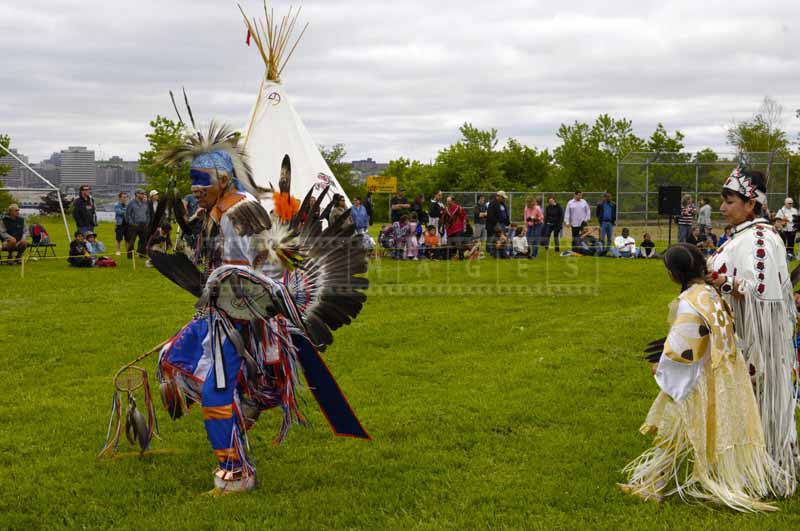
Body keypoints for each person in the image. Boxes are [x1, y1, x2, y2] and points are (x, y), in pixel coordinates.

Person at [151, 120, 369, 494]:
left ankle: (235, 473)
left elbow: (265, 268)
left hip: (246, 318)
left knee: (215, 390)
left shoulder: (240, 210)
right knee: (176, 361)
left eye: (202, 180)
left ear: (222, 178)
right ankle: (246, 409)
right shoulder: (223, 210)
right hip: (229, 313)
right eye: (192, 181)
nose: (195, 189)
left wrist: (226, 282)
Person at [621, 243, 779, 512]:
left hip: (699, 378)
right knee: (702, 432)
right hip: (724, 373)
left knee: (675, 429)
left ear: (674, 273)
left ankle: (657, 486)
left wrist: (661, 367)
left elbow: (684, 348)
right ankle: (658, 483)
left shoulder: (690, 302)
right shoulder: (710, 293)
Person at [707, 166, 798, 496]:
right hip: (740, 339)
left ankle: (761, 472)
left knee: (758, 405)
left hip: (757, 346)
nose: (722, 207)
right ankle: (749, 469)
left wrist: (718, 281)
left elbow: (762, 294)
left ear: (750, 204)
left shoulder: (759, 239)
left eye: (729, 201)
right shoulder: (744, 236)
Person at [125, 189, 151, 259]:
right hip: (133, 226)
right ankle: (130, 256)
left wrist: (147, 222)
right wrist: (132, 223)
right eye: (142, 194)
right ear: (137, 194)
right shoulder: (131, 203)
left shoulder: (145, 203)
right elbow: (128, 214)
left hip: (143, 225)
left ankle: (142, 255)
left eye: (144, 194)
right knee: (131, 241)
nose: (143, 195)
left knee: (144, 241)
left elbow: (148, 214)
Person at [486, 191, 510, 257]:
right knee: (494, 239)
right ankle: (492, 253)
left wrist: (508, 222)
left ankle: (502, 252)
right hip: (494, 225)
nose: (504, 199)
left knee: (502, 239)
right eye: (502, 197)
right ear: (498, 196)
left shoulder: (503, 204)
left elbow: (505, 214)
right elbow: (490, 215)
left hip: (503, 224)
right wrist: (496, 223)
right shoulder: (492, 204)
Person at [113, 192, 128, 256]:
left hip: (127, 224)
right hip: (120, 224)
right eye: (123, 197)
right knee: (118, 239)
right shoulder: (116, 205)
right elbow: (119, 212)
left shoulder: (128, 205)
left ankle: (128, 251)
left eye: (126, 197)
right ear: (120, 198)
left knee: (128, 239)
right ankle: (118, 251)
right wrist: (126, 211)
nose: (125, 199)